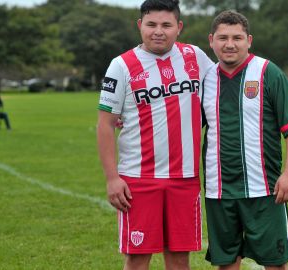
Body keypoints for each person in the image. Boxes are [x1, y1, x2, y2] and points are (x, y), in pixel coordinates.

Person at [96, 0, 213, 269]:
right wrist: (112, 178)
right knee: (137, 257)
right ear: (140, 25)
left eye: (166, 25)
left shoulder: (195, 56)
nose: (158, 31)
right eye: (151, 24)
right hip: (138, 179)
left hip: (184, 177)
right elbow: (105, 124)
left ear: (179, 27)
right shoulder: (121, 65)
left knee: (179, 257)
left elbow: (221, 88)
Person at [201, 10, 288, 269]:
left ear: (249, 40)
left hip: (264, 189)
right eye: (223, 37)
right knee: (226, 263)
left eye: (237, 37)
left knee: (276, 262)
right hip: (219, 189)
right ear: (211, 40)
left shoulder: (268, 73)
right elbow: (181, 121)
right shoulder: (204, 80)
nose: (229, 44)